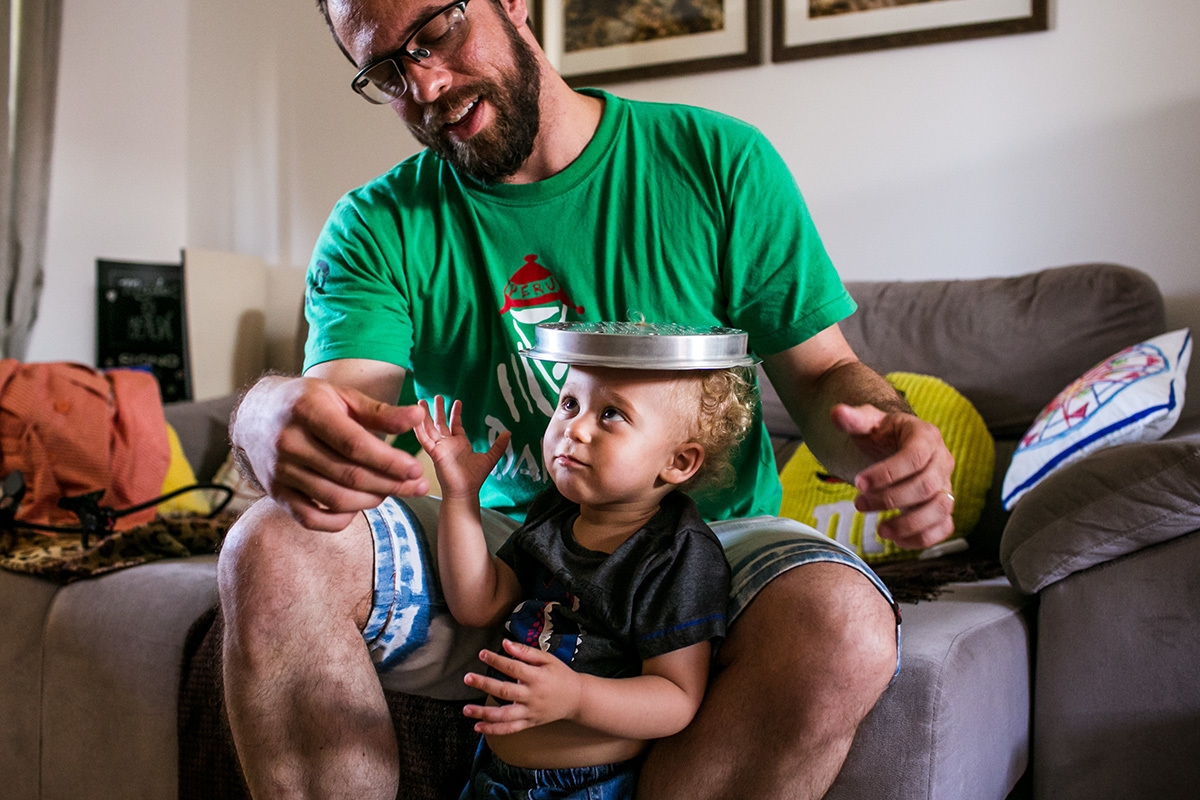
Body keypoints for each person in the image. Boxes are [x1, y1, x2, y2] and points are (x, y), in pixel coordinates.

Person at [217, 1, 957, 798]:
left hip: (710, 547)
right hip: (511, 556)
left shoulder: (715, 160)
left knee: (843, 620)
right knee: (271, 544)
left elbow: (823, 377)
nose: (426, 84)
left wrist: (886, 435)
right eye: (389, 70)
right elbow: (341, 418)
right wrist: (268, 419)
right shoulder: (376, 225)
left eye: (436, 32)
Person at [414, 362, 753, 798]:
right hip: (492, 771)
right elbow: (479, 604)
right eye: (570, 403)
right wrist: (460, 496)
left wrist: (576, 696)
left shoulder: (676, 554)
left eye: (612, 414)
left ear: (678, 461)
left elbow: (677, 697)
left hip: (585, 785)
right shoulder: (556, 510)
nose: (574, 428)